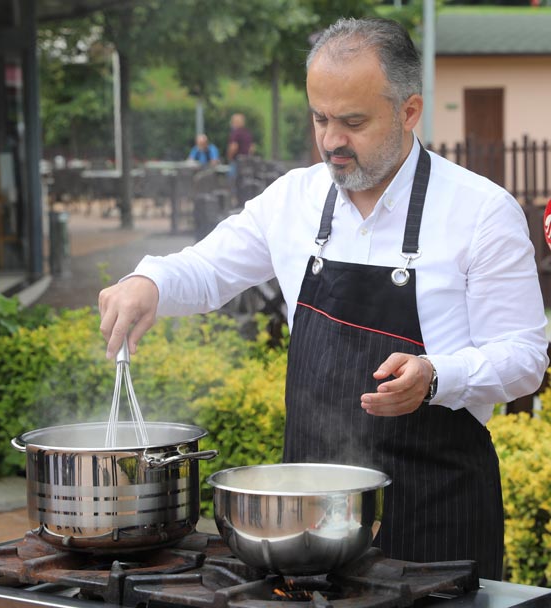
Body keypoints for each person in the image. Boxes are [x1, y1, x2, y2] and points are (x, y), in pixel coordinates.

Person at [98, 17, 549, 580]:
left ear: (409, 111)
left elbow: (524, 358)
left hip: (436, 515)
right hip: (312, 520)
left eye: (353, 122)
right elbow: (207, 269)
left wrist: (438, 375)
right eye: (320, 118)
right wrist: (148, 282)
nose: (332, 140)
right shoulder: (295, 198)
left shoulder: (482, 213)